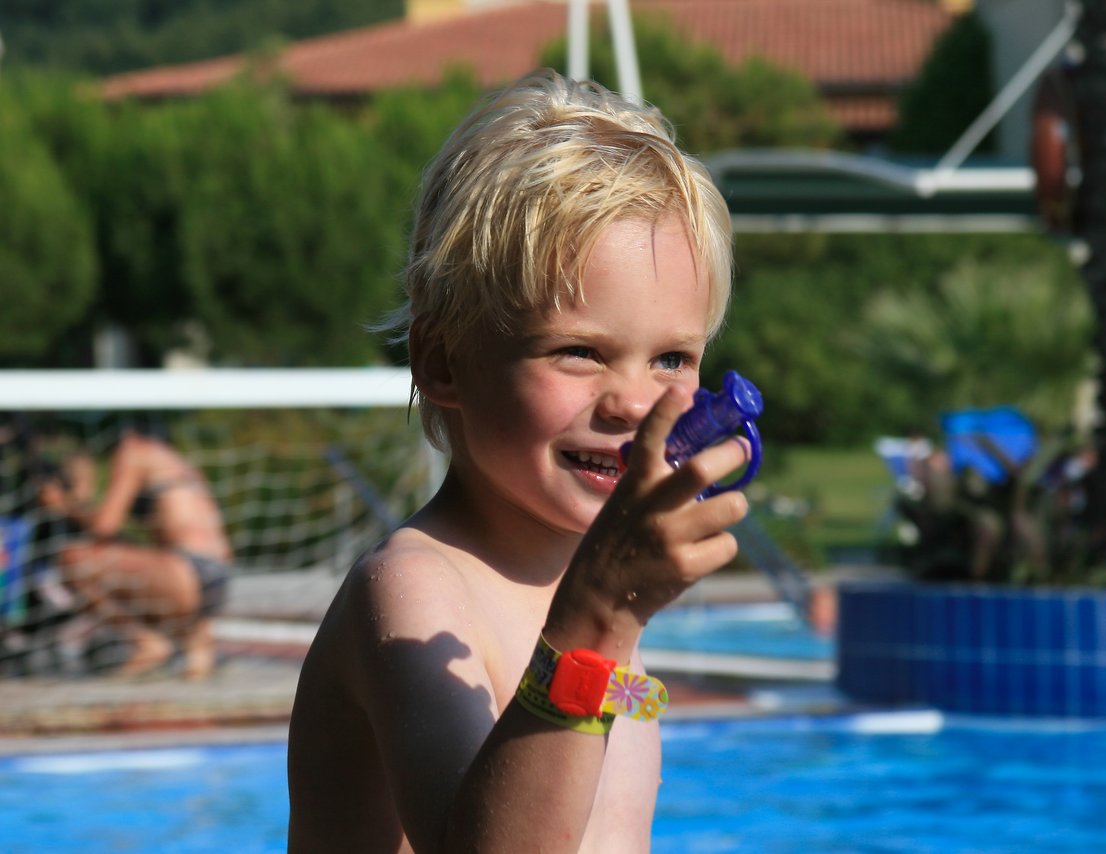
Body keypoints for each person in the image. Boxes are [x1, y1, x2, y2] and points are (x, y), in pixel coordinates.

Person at [287, 69, 747, 852]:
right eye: (578, 352)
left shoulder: (600, 590)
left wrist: (604, 615)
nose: (634, 403)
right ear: (443, 363)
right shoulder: (412, 592)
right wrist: (594, 622)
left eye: (671, 358)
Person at [37, 427, 232, 680]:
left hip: (186, 573)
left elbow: (105, 526)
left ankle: (146, 643)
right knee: (194, 680)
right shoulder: (172, 459)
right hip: (216, 578)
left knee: (71, 558)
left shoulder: (133, 450)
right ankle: (196, 650)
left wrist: (62, 504)